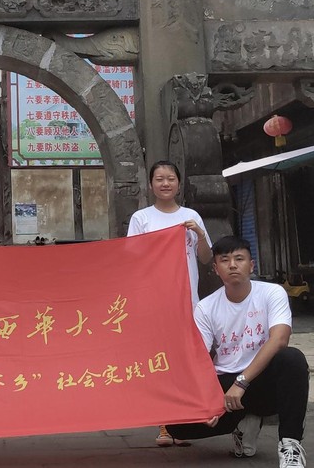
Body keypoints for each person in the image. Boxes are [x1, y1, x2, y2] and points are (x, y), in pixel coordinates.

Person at [167, 236, 308, 468]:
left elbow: (279, 340)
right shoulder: (206, 307)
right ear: (216, 268)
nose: (232, 265)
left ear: (251, 265)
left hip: (262, 382)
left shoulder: (272, 293)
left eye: (239, 259)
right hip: (226, 384)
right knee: (176, 426)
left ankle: (290, 446)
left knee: (292, 359)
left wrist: (242, 382)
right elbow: (199, 358)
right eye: (225, 260)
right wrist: (206, 400)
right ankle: (245, 422)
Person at [127, 159, 212, 446]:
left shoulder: (191, 216)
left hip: (188, 299)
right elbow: (132, 258)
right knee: (161, 359)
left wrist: (199, 233)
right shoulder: (142, 218)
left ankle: (184, 423)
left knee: (186, 358)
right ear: (151, 185)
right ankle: (164, 424)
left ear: (178, 183)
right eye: (159, 179)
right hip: (156, 300)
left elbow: (206, 258)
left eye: (171, 178)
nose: (165, 183)